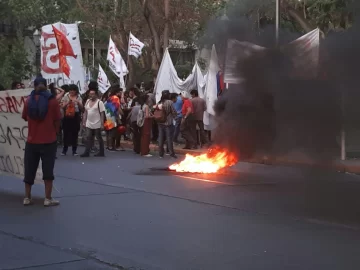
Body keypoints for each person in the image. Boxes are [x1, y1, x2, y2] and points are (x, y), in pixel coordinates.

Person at [22, 77, 61, 206]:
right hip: (49, 141)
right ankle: (47, 199)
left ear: (34, 86)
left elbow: (24, 118)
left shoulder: (28, 100)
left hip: (32, 140)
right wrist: (54, 133)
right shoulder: (53, 101)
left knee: (29, 169)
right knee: (48, 170)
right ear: (46, 86)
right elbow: (57, 120)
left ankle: (27, 197)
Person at [80, 87, 106, 157]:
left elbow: (102, 113)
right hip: (89, 122)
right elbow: (85, 112)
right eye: (90, 94)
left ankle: (101, 152)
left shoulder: (99, 102)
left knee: (98, 137)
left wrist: (102, 124)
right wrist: (84, 121)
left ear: (96, 95)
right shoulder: (88, 101)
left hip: (97, 123)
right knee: (88, 137)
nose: (91, 95)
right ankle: (87, 152)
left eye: (93, 94)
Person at [61, 84, 83, 156]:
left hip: (75, 116)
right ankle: (64, 150)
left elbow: (82, 108)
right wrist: (68, 102)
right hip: (67, 116)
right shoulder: (66, 96)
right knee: (66, 133)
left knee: (75, 133)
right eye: (70, 90)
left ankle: (74, 150)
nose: (71, 92)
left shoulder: (79, 97)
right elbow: (62, 106)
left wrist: (77, 102)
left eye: (73, 90)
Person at [157, 92, 177, 159]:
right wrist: (175, 117)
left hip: (160, 122)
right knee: (169, 138)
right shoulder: (169, 102)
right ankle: (171, 153)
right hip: (168, 122)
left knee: (161, 138)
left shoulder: (159, 102)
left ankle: (160, 153)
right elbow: (173, 111)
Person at [104, 86, 122, 151]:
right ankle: (111, 146)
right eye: (120, 92)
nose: (121, 94)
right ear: (117, 93)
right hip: (112, 117)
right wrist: (119, 118)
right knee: (112, 132)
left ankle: (108, 146)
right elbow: (116, 109)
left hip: (107, 116)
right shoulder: (116, 98)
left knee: (108, 132)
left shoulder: (109, 98)